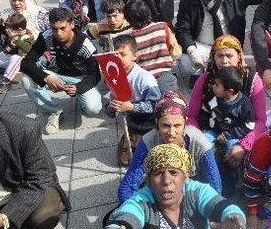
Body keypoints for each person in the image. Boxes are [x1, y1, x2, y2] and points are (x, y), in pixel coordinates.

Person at [0, 82, 69, 229]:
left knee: (44, 213)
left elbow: (41, 175)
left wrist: (6, 217)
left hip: (17, 194)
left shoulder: (23, 129)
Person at [105, 144, 246, 229]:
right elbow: (129, 214)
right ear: (149, 180)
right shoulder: (142, 201)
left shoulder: (196, 191)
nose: (166, 180)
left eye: (173, 173)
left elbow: (226, 208)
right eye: (158, 173)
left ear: (185, 177)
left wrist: (234, 219)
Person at [187, 36, 267, 179]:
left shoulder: (252, 80)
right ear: (213, 57)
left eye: (229, 55)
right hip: (211, 128)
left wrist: (243, 146)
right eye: (219, 55)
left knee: (235, 154)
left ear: (239, 56)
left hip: (242, 130)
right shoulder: (206, 79)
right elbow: (191, 115)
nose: (224, 60)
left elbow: (260, 120)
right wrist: (198, 139)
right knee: (202, 150)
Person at [118, 90, 222, 202]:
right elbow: (128, 185)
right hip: (160, 189)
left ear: (185, 123)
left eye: (177, 125)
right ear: (157, 123)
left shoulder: (199, 143)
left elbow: (215, 186)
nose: (171, 133)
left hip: (193, 190)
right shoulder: (149, 141)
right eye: (165, 125)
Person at [174, 0, 271, 78]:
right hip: (204, 48)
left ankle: (218, 70)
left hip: (229, 45)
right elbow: (182, 30)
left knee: (232, 75)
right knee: (185, 60)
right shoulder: (188, 2)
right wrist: (193, 52)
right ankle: (202, 74)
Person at [20, 7, 102, 135]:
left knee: (93, 109)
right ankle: (54, 111)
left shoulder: (86, 45)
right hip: (56, 75)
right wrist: (45, 77)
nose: (58, 33)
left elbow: (95, 75)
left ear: (72, 24)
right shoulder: (46, 36)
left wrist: (78, 88)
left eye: (62, 28)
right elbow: (25, 63)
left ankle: (81, 97)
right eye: (54, 29)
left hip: (81, 78)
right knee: (26, 80)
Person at [104, 35, 161, 166]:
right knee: (125, 161)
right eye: (115, 56)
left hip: (149, 123)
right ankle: (132, 137)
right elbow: (109, 108)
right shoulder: (114, 76)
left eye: (122, 55)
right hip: (131, 123)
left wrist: (131, 107)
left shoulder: (145, 78)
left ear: (134, 56)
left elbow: (155, 105)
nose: (118, 59)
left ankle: (149, 140)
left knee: (151, 159)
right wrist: (112, 107)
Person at [124, 0, 180, 93]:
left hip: (143, 78)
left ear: (128, 18)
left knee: (149, 103)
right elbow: (173, 48)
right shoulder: (162, 26)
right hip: (165, 74)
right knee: (171, 102)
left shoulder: (129, 37)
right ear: (147, 12)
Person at [198, 66, 255, 150]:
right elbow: (205, 112)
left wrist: (227, 135)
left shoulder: (243, 105)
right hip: (213, 131)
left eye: (217, 85)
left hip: (232, 136)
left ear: (230, 91)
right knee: (202, 144)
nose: (213, 86)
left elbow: (249, 125)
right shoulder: (212, 97)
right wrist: (203, 127)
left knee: (232, 151)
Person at [0, 13, 34, 94]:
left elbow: (27, 48)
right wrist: (1, 22)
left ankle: (6, 81)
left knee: (16, 58)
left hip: (20, 63)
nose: (7, 30)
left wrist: (15, 40)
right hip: (7, 58)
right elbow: (0, 29)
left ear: (19, 29)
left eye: (9, 29)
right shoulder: (11, 32)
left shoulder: (28, 37)